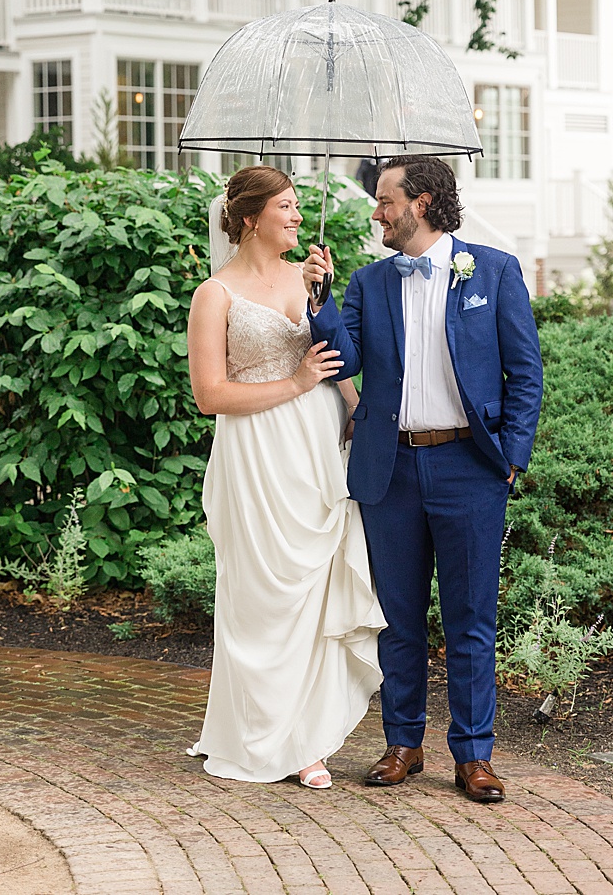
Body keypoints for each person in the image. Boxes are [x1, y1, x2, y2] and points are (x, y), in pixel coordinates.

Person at [303, 156, 543, 803]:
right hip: (392, 469)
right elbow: (341, 359)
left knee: (470, 620)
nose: (375, 212)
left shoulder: (493, 270)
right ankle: (403, 744)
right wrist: (318, 300)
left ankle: (474, 756)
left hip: (472, 468)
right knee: (399, 618)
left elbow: (526, 373)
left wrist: (511, 459)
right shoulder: (370, 281)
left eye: (385, 200)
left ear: (424, 202)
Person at [185, 165, 385, 789]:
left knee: (314, 587)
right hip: (255, 449)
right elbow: (209, 395)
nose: (298, 216)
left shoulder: (308, 282)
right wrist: (295, 383)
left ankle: (308, 739)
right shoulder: (214, 295)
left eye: (299, 207)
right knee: (262, 594)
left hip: (315, 445)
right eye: (287, 207)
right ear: (249, 218)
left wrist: (354, 407)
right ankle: (258, 733)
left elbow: (334, 360)